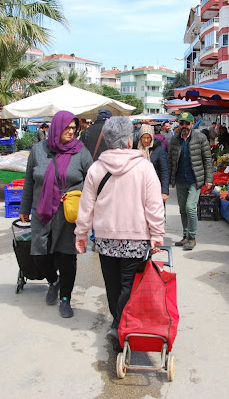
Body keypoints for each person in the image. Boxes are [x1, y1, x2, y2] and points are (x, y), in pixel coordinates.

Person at [74, 116, 165, 348]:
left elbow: (86, 205)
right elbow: (154, 205)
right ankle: (120, 326)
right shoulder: (144, 167)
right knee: (129, 285)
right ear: (128, 141)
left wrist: (82, 233)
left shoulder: (97, 168)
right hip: (136, 238)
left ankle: (118, 324)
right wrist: (157, 235)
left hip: (106, 239)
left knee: (112, 285)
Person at [19, 111, 93, 318]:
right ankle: (53, 281)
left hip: (68, 213)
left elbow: (93, 178)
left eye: (73, 128)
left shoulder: (81, 152)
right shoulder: (38, 150)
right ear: (56, 128)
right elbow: (29, 181)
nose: (71, 132)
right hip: (42, 210)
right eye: (67, 128)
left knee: (66, 256)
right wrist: (24, 208)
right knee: (39, 253)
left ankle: (66, 298)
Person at [168, 112, 213, 250]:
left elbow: (207, 159)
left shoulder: (200, 138)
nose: (184, 126)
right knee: (182, 209)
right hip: (180, 179)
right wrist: (168, 180)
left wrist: (209, 179)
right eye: (182, 123)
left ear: (192, 123)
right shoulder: (175, 140)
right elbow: (171, 161)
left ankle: (192, 237)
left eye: (187, 123)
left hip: (195, 179)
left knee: (190, 208)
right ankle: (185, 236)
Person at [138, 124, 169, 202]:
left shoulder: (159, 149)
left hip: (154, 186)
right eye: (143, 137)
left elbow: (164, 171)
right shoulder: (135, 149)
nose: (145, 140)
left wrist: (164, 191)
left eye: (148, 138)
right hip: (138, 187)